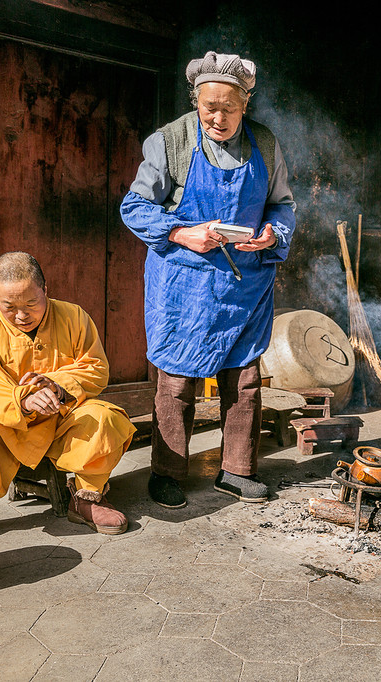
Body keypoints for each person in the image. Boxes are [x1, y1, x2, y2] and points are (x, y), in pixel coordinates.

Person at [120, 51, 296, 508]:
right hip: (183, 283)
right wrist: (181, 231)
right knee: (177, 382)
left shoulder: (266, 145)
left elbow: (282, 205)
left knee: (245, 380)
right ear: (196, 101)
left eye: (229, 108)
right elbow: (134, 208)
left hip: (244, 283)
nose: (218, 117)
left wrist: (272, 233)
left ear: (246, 103)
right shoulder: (170, 142)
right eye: (208, 107)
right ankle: (167, 472)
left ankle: (237, 470)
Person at [0, 252, 136, 551]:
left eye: (31, 304)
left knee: (105, 418)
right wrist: (24, 400)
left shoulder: (74, 316)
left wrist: (58, 385)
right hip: (3, 422)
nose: (21, 315)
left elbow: (96, 368)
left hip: (61, 419)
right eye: (9, 307)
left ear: (46, 289)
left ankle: (86, 498)